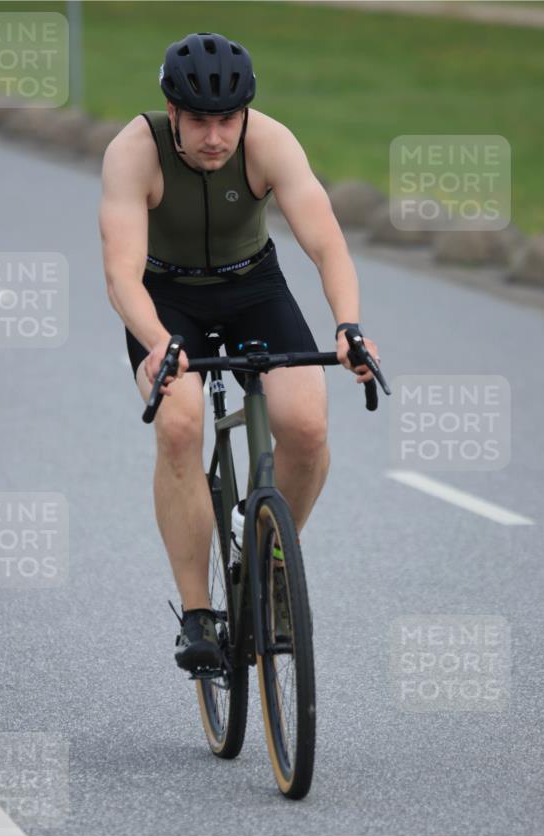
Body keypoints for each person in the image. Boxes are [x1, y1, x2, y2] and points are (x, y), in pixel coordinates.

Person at [99, 31, 379, 673]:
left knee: (306, 426)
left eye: (228, 119)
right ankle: (198, 614)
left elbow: (327, 244)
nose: (215, 137)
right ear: (172, 111)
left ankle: (273, 563)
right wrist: (158, 342)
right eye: (200, 120)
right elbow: (121, 275)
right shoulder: (132, 152)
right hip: (165, 297)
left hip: (253, 285)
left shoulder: (270, 142)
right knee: (179, 424)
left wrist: (348, 325)